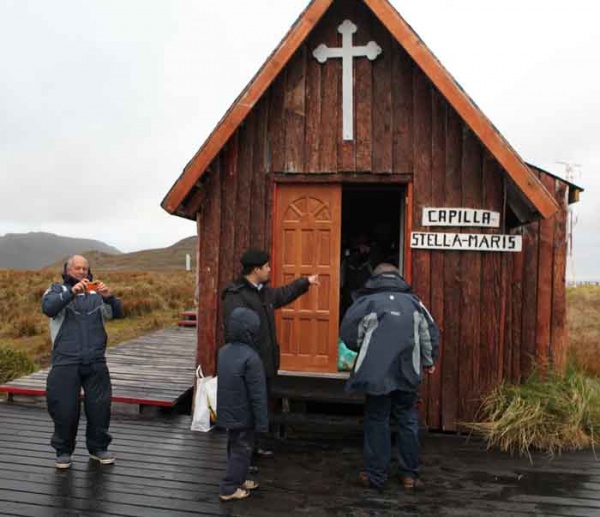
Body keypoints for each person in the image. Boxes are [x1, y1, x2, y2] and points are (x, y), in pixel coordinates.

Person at [340, 263, 439, 490]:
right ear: (399, 278)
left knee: (377, 420)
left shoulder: (366, 302)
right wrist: (429, 360)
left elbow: (349, 334)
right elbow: (429, 333)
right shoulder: (415, 303)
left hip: (375, 374)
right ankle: (410, 476)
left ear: (374, 279)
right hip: (408, 371)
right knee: (408, 420)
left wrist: (365, 346)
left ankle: (376, 476)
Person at [222, 248, 319, 456]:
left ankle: (253, 449)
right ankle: (241, 460)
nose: (269, 270)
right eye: (266, 266)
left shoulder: (263, 291)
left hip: (263, 364)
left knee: (259, 408)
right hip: (247, 366)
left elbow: (283, 294)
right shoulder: (235, 295)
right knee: (245, 413)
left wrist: (306, 282)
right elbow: (236, 332)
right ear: (256, 269)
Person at [41, 255, 123, 469]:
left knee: (100, 408)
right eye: (77, 268)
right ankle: (63, 451)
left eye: (85, 268)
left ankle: (98, 449)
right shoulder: (56, 290)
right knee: (65, 409)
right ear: (67, 270)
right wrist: (72, 292)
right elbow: (48, 308)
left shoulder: (98, 293)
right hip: (65, 361)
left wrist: (109, 297)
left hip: (96, 360)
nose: (82, 271)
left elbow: (117, 314)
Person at [217, 307, 268, 501]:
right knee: (242, 449)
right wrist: (262, 422)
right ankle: (229, 487)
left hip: (228, 411)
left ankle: (239, 478)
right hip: (245, 414)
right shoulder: (252, 358)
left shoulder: (223, 351)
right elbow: (258, 394)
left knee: (234, 445)